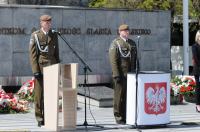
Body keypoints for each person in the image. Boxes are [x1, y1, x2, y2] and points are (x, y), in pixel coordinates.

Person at [29, 14, 60, 127]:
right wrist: (35, 70)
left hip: (52, 66)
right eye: (45, 22)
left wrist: (58, 66)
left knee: (50, 94)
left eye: (49, 22)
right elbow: (32, 55)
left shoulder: (54, 35)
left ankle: (48, 117)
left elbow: (56, 53)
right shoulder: (36, 35)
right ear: (41, 23)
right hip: (41, 68)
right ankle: (39, 117)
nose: (48, 24)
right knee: (39, 94)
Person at [109, 24, 137, 124]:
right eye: (124, 31)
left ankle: (126, 116)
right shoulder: (115, 43)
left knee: (128, 97)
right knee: (119, 97)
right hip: (121, 75)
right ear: (120, 32)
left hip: (131, 75)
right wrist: (116, 75)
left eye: (127, 30)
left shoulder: (132, 43)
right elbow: (113, 60)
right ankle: (118, 117)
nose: (127, 32)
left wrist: (137, 71)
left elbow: (136, 59)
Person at [192, 30, 200, 113]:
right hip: (198, 70)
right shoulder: (194, 46)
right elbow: (196, 59)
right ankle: (198, 105)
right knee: (198, 88)